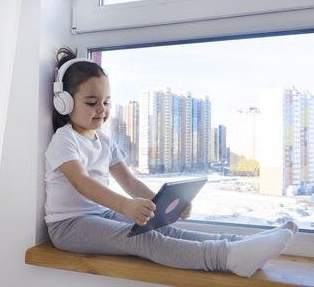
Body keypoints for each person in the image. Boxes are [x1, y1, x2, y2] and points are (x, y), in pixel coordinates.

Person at [44, 47, 298, 277]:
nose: (102, 109)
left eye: (107, 102)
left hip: (101, 214)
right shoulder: (65, 139)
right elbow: (81, 182)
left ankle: (237, 242)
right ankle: (227, 257)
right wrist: (125, 206)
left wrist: (161, 208)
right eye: (91, 102)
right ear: (64, 102)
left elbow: (130, 181)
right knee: (141, 239)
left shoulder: (104, 141)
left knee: (163, 230)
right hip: (68, 226)